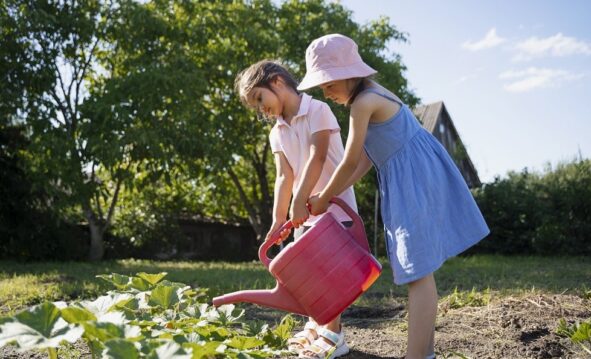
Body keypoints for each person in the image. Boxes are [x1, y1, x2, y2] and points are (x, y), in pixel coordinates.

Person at [301, 34, 490, 359]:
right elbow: (365, 159)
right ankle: (423, 353)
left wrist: (323, 196)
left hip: (414, 179)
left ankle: (418, 356)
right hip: (412, 176)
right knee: (419, 270)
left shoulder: (363, 103)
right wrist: (331, 194)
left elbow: (348, 159)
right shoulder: (368, 97)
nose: (325, 92)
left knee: (418, 271)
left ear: (347, 74)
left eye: (328, 84)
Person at [234, 59, 357, 359]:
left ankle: (334, 335)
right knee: (309, 276)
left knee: (331, 276)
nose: (261, 110)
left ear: (276, 82)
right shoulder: (277, 131)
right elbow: (283, 176)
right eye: (256, 107)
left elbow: (318, 156)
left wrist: (299, 200)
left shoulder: (318, 110)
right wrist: (279, 219)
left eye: (260, 100)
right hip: (303, 216)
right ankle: (316, 326)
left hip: (332, 209)